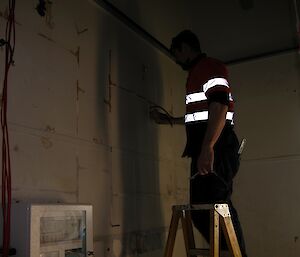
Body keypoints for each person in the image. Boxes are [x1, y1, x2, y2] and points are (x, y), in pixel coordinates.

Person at [150, 30, 247, 256]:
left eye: (176, 54)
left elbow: (220, 107)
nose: (176, 60)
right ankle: (228, 253)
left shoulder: (209, 67)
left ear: (185, 48)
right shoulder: (197, 73)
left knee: (217, 207)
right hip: (209, 149)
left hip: (218, 149)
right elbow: (200, 116)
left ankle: (236, 254)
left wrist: (208, 147)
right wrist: (169, 120)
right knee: (202, 212)